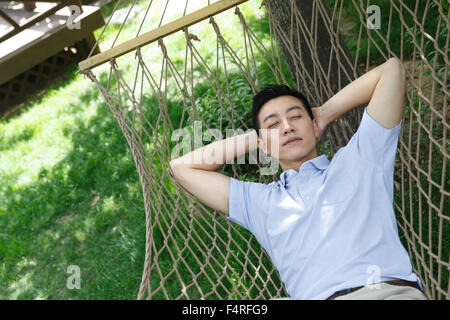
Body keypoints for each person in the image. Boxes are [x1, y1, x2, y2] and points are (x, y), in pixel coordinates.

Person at [169, 57, 427, 300]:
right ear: (263, 146)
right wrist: (261, 139)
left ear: (314, 126)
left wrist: (324, 113)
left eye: (295, 117)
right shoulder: (258, 203)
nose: (287, 127)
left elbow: (391, 71)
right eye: (274, 124)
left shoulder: (361, 159)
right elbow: (181, 168)